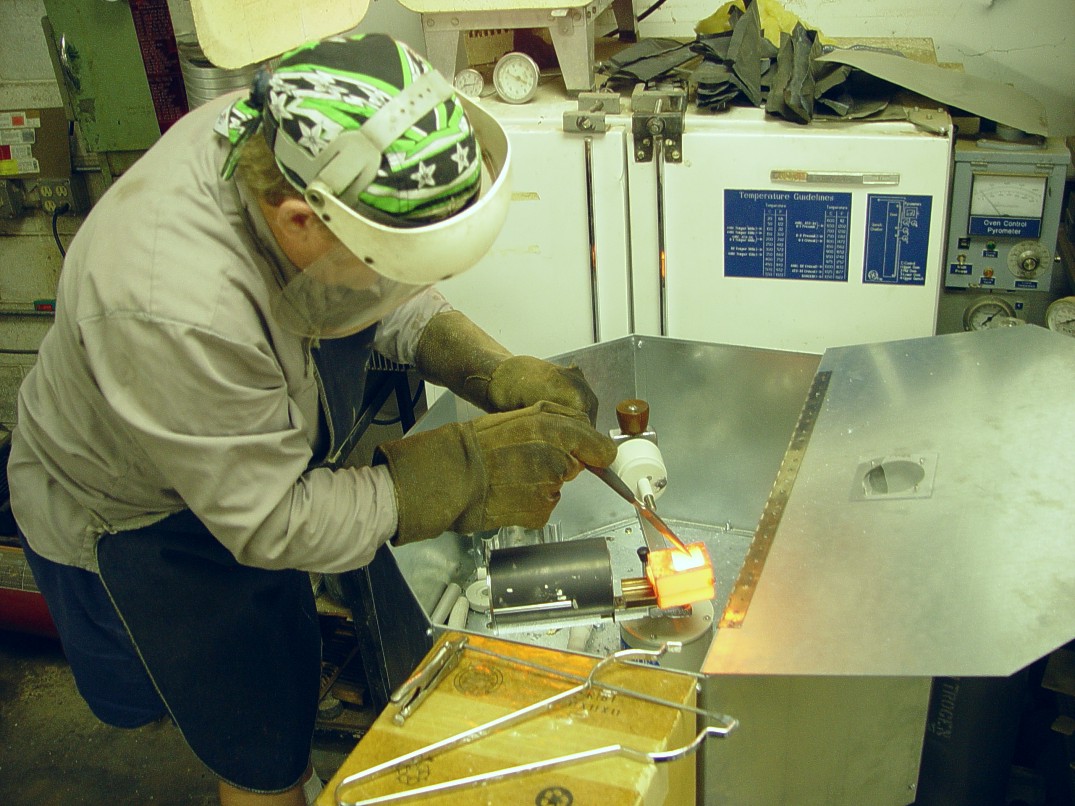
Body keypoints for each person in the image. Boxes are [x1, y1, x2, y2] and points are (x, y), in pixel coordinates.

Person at [8, 32, 616, 806]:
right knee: (253, 741)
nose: (398, 279)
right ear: (297, 220)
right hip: (145, 521)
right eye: (391, 259)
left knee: (281, 676)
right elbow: (267, 522)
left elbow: (376, 279)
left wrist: (485, 367)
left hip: (232, 458)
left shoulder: (289, 136)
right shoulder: (174, 304)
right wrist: (465, 468)